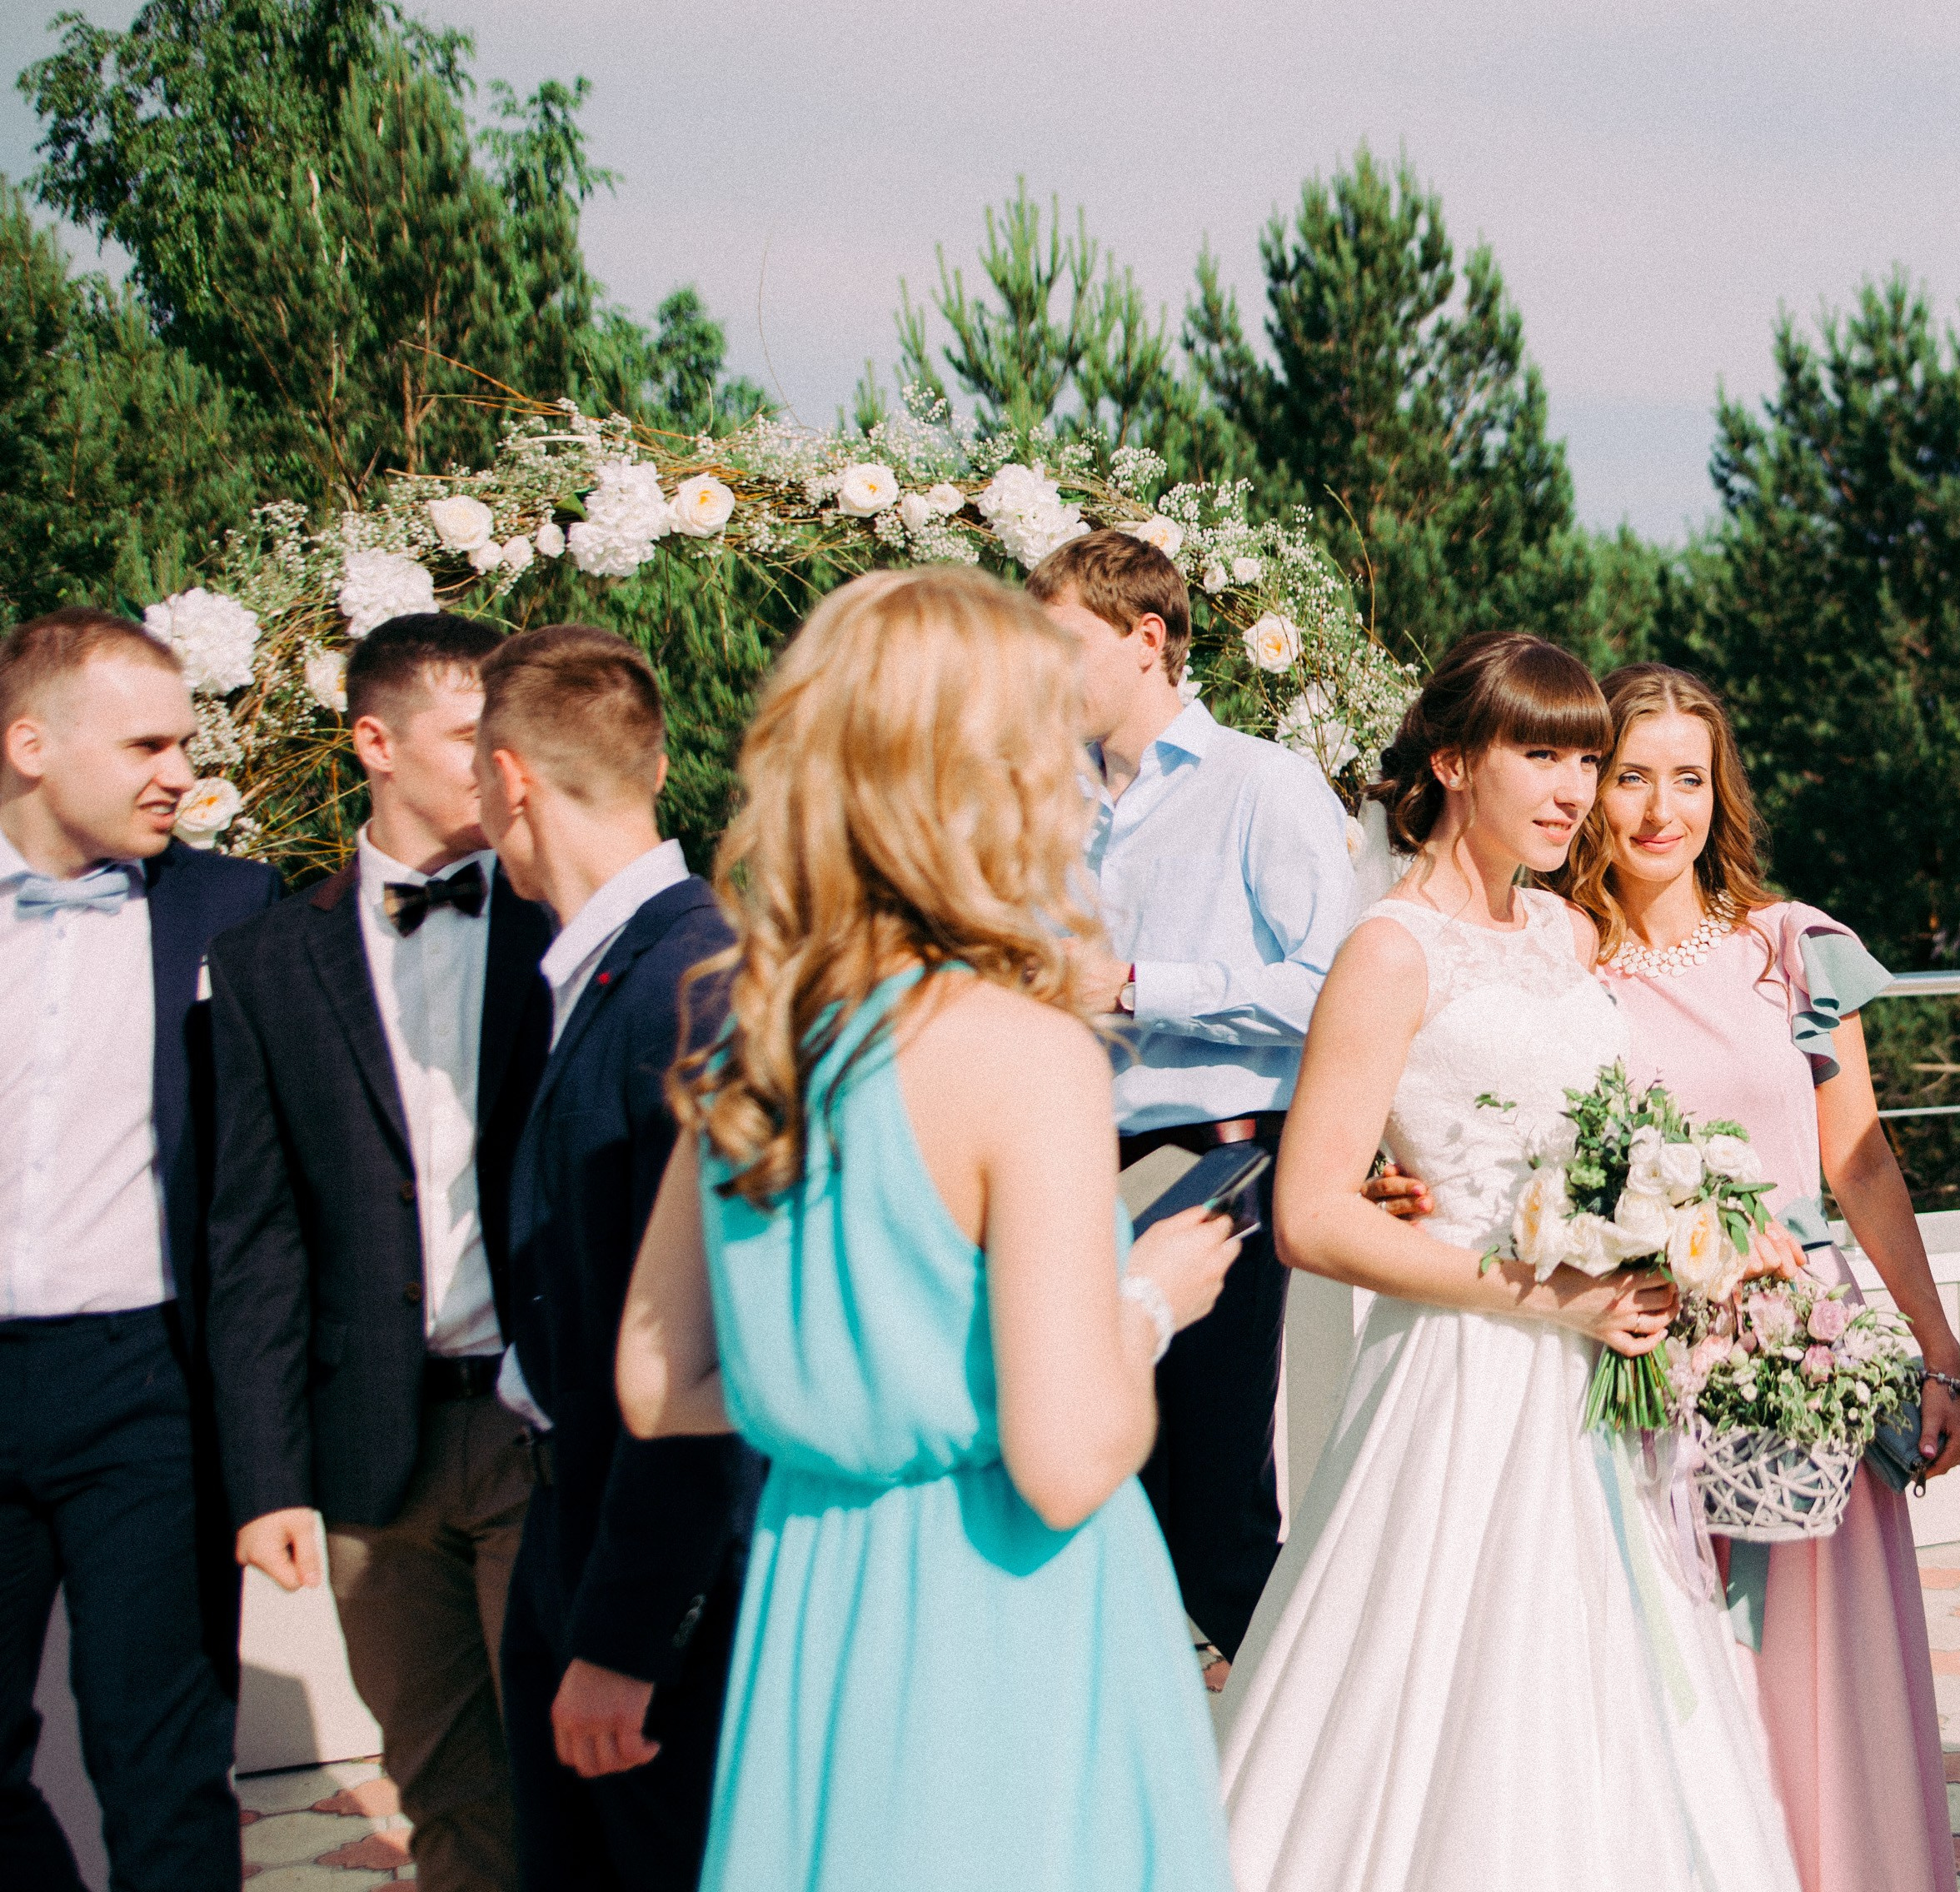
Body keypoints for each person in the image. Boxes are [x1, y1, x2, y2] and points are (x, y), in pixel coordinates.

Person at [616, 567, 1242, 1891]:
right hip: (1007, 1615)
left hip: (817, 1604)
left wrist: (857, 1393)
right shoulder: (1025, 1056)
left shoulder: (756, 1040)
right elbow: (1066, 1461)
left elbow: (658, 1383)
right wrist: (1146, 1302)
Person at [1216, 631, 1801, 1892]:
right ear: (1452, 763)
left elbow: (1634, 1109)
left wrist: (1693, 1220)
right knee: (1454, 1686)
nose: (1573, 791)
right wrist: (1548, 1295)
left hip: (1601, 1381)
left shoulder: (1564, 935)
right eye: (1539, 754)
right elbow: (1312, 1216)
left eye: (1585, 759)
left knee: (1612, 1690)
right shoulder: (1389, 950)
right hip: (1469, 1373)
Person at [1559, 663, 1960, 1892]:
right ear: (1591, 789)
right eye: (1630, 776)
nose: (1657, 810)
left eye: (1688, 778)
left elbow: (1863, 1160)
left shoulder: (1790, 945)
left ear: (1719, 791)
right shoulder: (1559, 961)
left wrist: (1938, 1356)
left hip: (1809, 1349)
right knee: (1672, 1664)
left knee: (1816, 1671)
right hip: (1638, 1349)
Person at [207, 612, 552, 1892]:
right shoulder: (263, 962)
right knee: (446, 1792)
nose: (498, 767)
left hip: (537, 1427)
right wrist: (263, 1476)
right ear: (375, 743)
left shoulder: (565, 932)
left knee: (573, 1778)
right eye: (469, 738)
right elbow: (253, 1236)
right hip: (368, 1453)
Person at [1026, 529, 1354, 1673]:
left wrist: (1132, 986)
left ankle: (1296, 1765)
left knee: (1212, 1498)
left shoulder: (1266, 784)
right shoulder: (1042, 799)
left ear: (1147, 637)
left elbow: (1333, 990)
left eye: (1059, 643)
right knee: (1097, 1476)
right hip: (1067, 1166)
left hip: (1217, 1164)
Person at [476, 626, 765, 1892]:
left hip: (648, 1587)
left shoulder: (688, 992)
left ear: (507, 780)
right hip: (570, 1528)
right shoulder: (613, 970)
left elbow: (703, 1350)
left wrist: (627, 1634)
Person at [0, 608, 279, 1892]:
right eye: (149, 744)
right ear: (31, 745)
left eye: (188, 741)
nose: (183, 771)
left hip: (148, 1393)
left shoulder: (232, 906)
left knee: (162, 1764)